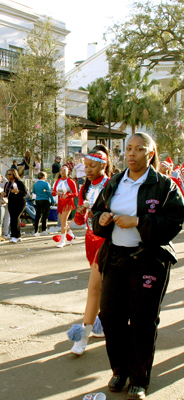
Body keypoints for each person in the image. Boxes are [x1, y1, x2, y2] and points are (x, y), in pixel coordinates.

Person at [92, 132, 184, 398]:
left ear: (150, 153)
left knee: (143, 320)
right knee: (111, 317)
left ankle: (139, 378)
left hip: (149, 259)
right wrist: (103, 219)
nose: (131, 153)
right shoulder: (115, 182)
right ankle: (120, 370)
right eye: (128, 149)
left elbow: (176, 221)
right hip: (115, 258)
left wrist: (138, 222)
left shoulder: (165, 186)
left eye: (139, 149)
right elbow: (95, 212)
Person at [67, 149, 112, 355]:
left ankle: (82, 337)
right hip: (90, 241)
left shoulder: (113, 185)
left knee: (94, 288)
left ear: (104, 165)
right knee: (102, 288)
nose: (88, 170)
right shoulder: (84, 187)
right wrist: (80, 213)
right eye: (85, 166)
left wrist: (100, 215)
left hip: (108, 242)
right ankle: (101, 323)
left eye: (92, 166)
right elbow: (78, 221)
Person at [52, 165, 78, 248]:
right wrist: (55, 193)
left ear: (68, 172)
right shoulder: (57, 181)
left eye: (64, 170)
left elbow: (76, 193)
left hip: (68, 203)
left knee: (63, 222)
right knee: (64, 222)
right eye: (61, 170)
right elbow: (53, 192)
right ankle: (70, 234)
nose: (63, 172)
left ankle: (63, 240)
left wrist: (67, 195)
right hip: (60, 203)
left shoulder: (71, 181)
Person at [3, 168, 27, 243]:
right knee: (13, 218)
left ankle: (14, 236)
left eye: (10, 174)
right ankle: (17, 235)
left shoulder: (19, 183)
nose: (8, 176)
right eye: (7, 174)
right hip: (11, 202)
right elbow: (6, 193)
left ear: (14, 174)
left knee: (15, 218)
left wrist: (18, 191)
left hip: (19, 202)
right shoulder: (7, 184)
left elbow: (25, 193)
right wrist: (4, 194)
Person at [32, 171, 54, 236]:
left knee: (38, 215)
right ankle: (44, 229)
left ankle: (36, 230)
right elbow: (49, 193)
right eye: (46, 176)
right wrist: (53, 201)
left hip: (38, 200)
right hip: (45, 200)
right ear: (43, 176)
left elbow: (34, 192)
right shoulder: (46, 184)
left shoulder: (35, 184)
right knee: (45, 216)